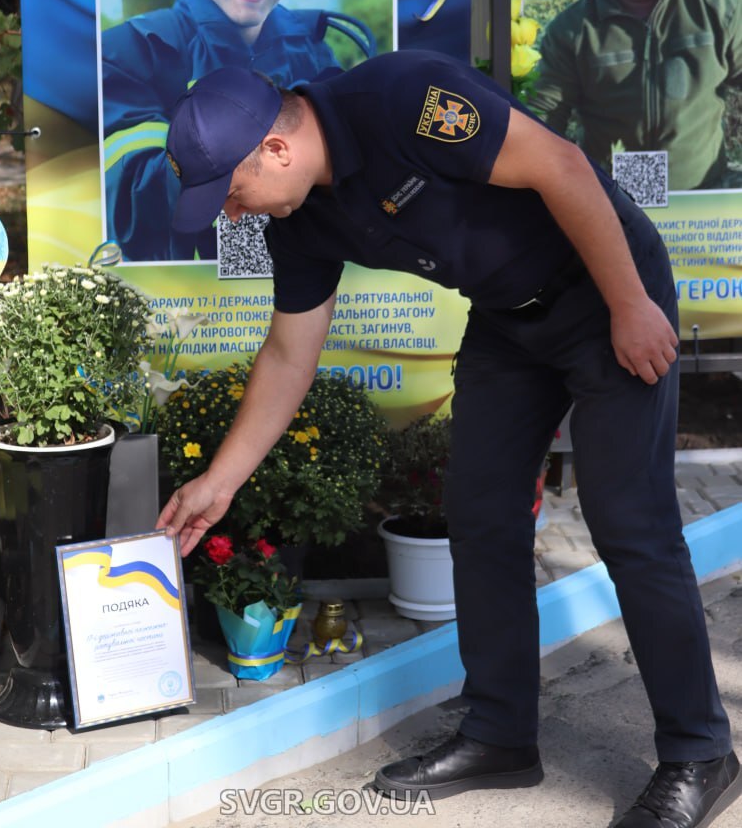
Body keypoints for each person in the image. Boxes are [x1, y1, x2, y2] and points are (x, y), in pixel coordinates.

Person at [156, 53, 741, 828]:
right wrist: (219, 483)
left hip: (605, 289)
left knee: (628, 520)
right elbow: (289, 355)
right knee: (479, 514)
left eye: (231, 193)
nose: (232, 214)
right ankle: (500, 734)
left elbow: (562, 168)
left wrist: (629, 303)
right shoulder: (297, 219)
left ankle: (698, 751)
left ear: (275, 148)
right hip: (506, 321)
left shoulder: (403, 99)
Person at [102, 0, 373, 262]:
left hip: (305, 275)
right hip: (185, 301)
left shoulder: (317, 52)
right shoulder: (130, 52)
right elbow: (133, 198)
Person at [531, 0, 742, 192]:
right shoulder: (571, 30)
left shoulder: (722, 7)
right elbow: (542, 122)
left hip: (703, 208)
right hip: (611, 207)